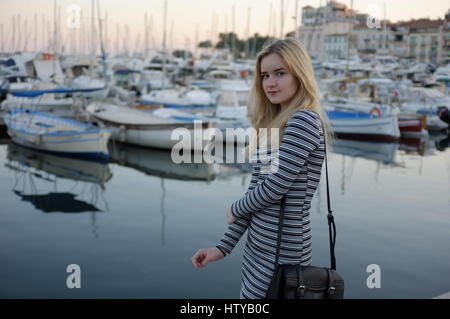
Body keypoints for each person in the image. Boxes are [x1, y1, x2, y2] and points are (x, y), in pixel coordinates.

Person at [191, 38, 333, 299]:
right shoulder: (275, 125)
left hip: (285, 255)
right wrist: (222, 248)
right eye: (265, 75)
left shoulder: (303, 120)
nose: (270, 82)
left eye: (280, 73)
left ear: (299, 74)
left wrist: (235, 208)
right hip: (258, 251)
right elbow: (257, 190)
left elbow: (276, 186)